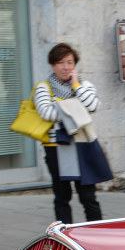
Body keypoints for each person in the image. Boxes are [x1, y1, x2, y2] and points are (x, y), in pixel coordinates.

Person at [32, 42, 111, 223]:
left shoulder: (85, 85)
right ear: (52, 65)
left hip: (83, 147)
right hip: (55, 148)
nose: (65, 67)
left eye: (69, 62)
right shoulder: (43, 87)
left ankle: (95, 234)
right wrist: (77, 110)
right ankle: (65, 238)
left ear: (75, 64)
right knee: (62, 197)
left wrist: (76, 87)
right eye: (60, 62)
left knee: (88, 197)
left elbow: (92, 106)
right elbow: (46, 113)